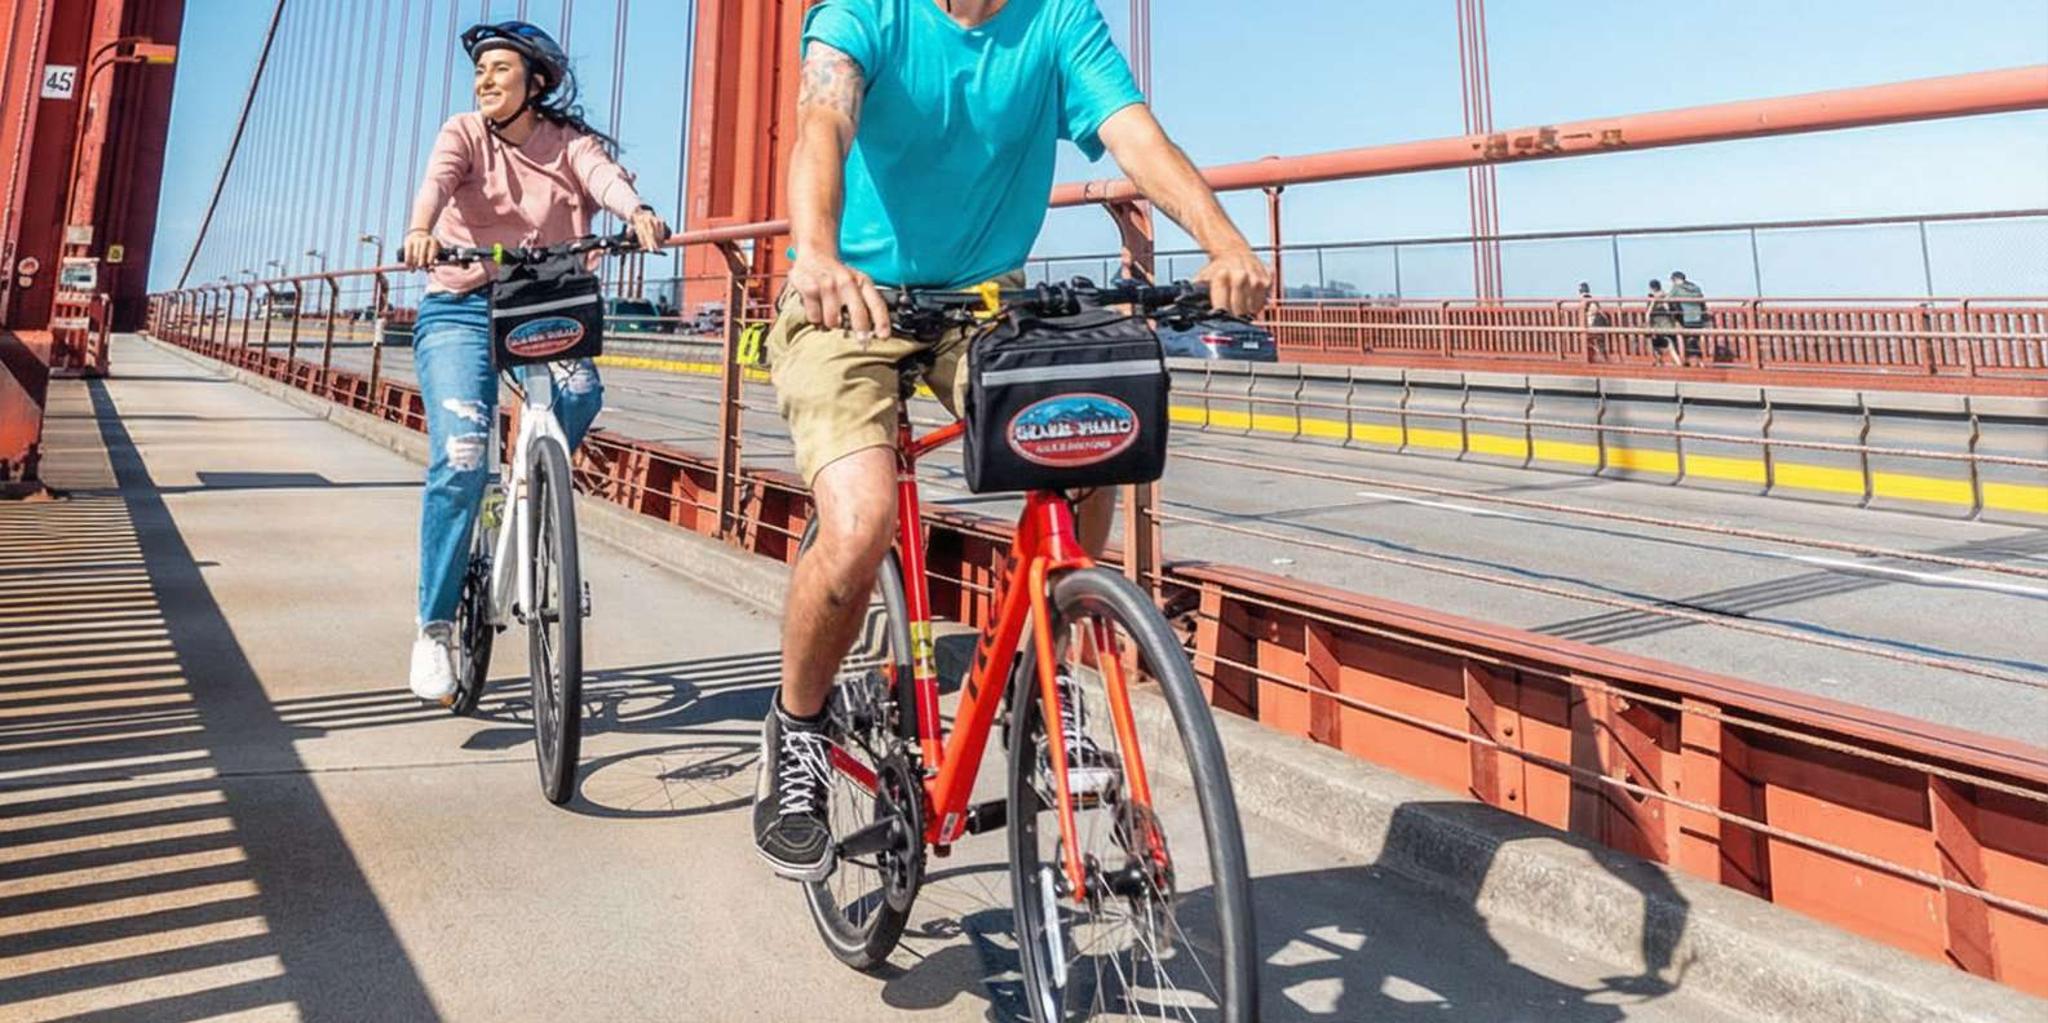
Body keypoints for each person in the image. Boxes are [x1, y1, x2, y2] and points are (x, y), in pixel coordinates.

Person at [753, 0, 1272, 881]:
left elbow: (1134, 135)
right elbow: (823, 121)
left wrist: (1223, 238)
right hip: (846, 299)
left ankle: (1044, 680)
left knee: (1092, 425)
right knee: (859, 522)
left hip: (984, 302)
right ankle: (796, 730)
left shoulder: (1060, 18)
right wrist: (816, 252)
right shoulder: (864, 12)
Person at [400, 20, 669, 701]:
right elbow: (436, 183)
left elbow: (602, 178)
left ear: (536, 84)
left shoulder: (569, 145)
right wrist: (419, 230)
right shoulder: (463, 133)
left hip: (544, 304)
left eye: (498, 69)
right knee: (462, 456)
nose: (484, 80)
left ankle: (528, 483)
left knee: (580, 394)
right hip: (462, 305)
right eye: (479, 70)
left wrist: (637, 211)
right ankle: (434, 629)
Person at [1669, 270, 1707, 366]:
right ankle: (1701, 362)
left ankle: (1683, 360)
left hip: (1686, 318)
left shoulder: (1676, 288)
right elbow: (1702, 300)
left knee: (1681, 337)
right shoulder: (1695, 287)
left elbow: (1669, 300)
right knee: (1697, 339)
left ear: (1676, 280)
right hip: (1699, 318)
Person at [1646, 279, 1679, 367]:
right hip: (1668, 323)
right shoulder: (1666, 296)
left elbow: (1648, 313)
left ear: (1651, 288)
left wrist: (1647, 323)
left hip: (1657, 324)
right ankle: (1678, 362)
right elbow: (1669, 309)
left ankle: (1659, 362)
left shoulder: (1653, 297)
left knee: (1655, 344)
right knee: (1671, 346)